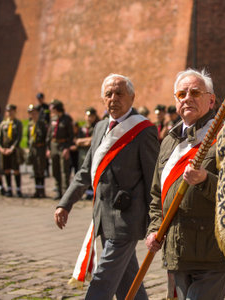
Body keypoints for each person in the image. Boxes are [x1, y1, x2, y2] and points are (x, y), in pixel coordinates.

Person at [54, 73, 159, 300]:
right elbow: (85, 172)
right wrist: (65, 204)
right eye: (108, 94)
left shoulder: (144, 130)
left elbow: (154, 180)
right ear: (103, 100)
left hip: (127, 220)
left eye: (119, 93)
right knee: (127, 281)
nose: (114, 98)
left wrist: (156, 221)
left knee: (103, 280)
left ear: (132, 97)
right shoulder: (100, 127)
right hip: (102, 217)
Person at [145, 69, 225, 300]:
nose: (187, 98)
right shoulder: (169, 141)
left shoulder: (224, 135)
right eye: (181, 94)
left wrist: (205, 180)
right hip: (176, 251)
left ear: (211, 100)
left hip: (211, 253)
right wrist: (155, 228)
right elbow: (156, 194)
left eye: (195, 92)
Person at [46, 99, 74, 200]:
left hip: (63, 146)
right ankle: (58, 190)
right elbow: (49, 135)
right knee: (55, 169)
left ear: (57, 108)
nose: (50, 110)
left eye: (52, 107)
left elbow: (71, 136)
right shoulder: (53, 119)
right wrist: (48, 148)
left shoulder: (67, 119)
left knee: (64, 170)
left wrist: (67, 147)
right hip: (54, 145)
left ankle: (65, 192)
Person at [0, 104, 24, 197]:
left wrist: (12, 148)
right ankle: (9, 188)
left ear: (15, 112)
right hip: (4, 150)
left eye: (11, 111)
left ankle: (18, 189)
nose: (9, 113)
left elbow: (19, 137)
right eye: (8, 111)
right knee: (6, 170)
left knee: (16, 169)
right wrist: (1, 148)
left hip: (14, 150)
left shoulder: (18, 123)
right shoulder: (3, 124)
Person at [74, 107, 99, 200]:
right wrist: (85, 141)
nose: (89, 118)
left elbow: (92, 140)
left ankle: (92, 192)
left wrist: (83, 141)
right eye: (88, 116)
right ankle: (85, 192)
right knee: (83, 171)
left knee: (92, 171)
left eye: (91, 116)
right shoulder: (82, 128)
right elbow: (77, 141)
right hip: (83, 152)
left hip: (92, 152)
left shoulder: (97, 126)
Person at [27, 104, 48, 198]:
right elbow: (28, 137)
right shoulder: (30, 124)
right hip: (33, 149)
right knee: (35, 170)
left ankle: (42, 190)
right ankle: (37, 190)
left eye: (34, 113)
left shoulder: (42, 124)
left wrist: (47, 149)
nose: (33, 115)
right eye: (31, 113)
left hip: (41, 148)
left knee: (41, 169)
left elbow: (46, 137)